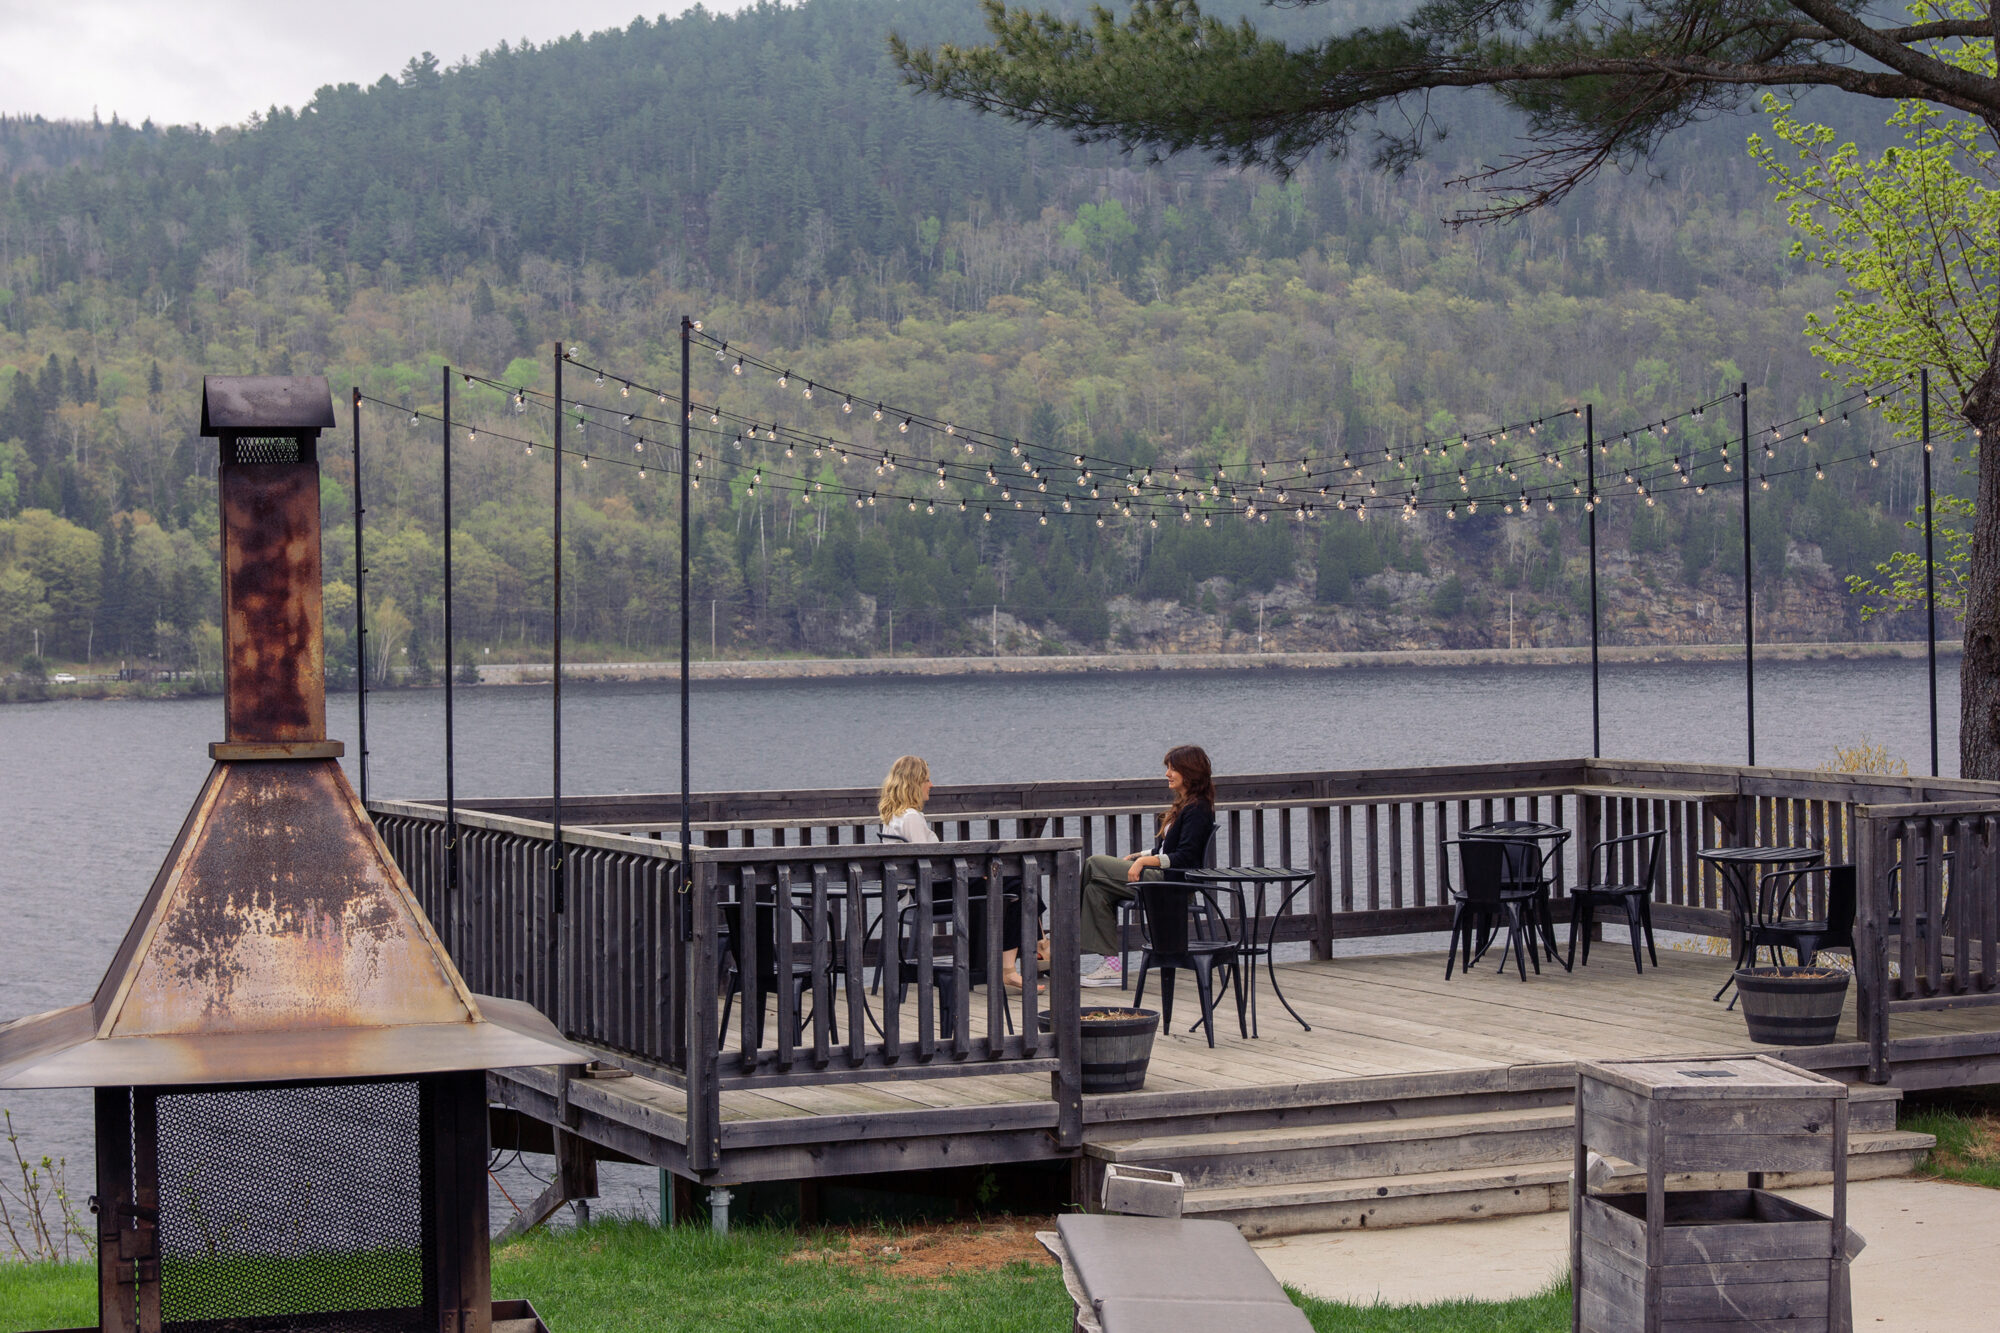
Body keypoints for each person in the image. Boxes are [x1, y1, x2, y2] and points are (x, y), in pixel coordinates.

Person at [877, 756, 1044, 990]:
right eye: (927, 779)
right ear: (914, 783)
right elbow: (928, 868)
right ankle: (1013, 965)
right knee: (1020, 887)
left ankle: (1023, 954)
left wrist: (974, 875)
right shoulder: (912, 818)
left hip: (915, 894)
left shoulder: (894, 816)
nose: (931, 785)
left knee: (1015, 887)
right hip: (927, 896)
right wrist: (971, 874)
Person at [1079, 745, 1217, 988]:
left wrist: (1143, 862)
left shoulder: (1198, 810)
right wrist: (1140, 854)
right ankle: (1111, 966)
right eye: (1168, 768)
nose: (1167, 773)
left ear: (1190, 771)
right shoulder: (1186, 805)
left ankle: (1061, 940)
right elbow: (1165, 850)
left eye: (1173, 768)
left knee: (1093, 864)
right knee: (1095, 890)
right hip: (1159, 877)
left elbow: (1185, 858)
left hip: (1171, 884)